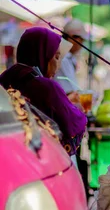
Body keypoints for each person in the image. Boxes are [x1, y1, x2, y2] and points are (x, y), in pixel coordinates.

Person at [0, 27, 87, 156]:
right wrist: (78, 109)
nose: (58, 66)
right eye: (56, 57)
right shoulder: (47, 87)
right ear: (42, 55)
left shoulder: (5, 77)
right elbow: (73, 124)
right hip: (39, 160)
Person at [56, 19, 87, 97]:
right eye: (76, 37)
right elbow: (70, 91)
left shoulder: (69, 57)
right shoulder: (63, 58)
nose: (80, 42)